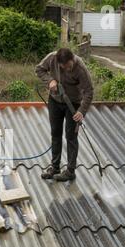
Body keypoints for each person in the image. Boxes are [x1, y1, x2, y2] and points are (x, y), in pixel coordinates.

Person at [35, 48, 93, 181]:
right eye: (63, 67)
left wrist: (81, 111)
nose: (66, 69)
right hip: (55, 100)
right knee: (55, 133)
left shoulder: (80, 68)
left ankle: (70, 171)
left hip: (73, 104)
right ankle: (55, 167)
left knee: (71, 136)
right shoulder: (52, 57)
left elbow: (89, 91)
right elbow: (39, 69)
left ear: (72, 59)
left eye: (68, 66)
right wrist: (50, 80)